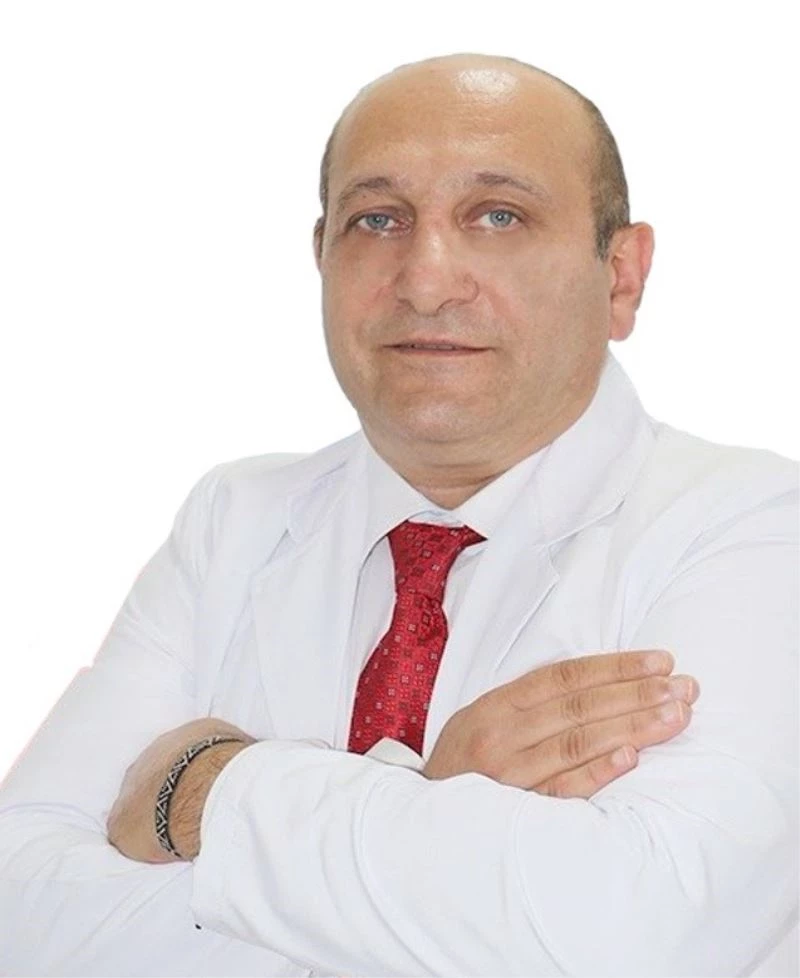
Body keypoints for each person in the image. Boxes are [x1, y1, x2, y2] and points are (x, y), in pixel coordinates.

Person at [0, 50, 796, 978]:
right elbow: (20, 911)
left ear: (620, 276)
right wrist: (430, 808)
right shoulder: (233, 519)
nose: (427, 279)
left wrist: (208, 788)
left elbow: (643, 937)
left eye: (498, 216)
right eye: (377, 220)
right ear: (322, 258)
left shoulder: (755, 530)